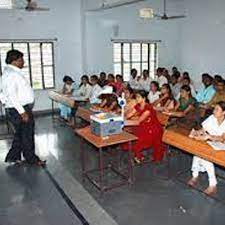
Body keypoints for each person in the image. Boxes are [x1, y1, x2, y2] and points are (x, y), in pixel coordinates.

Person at [2, 50, 45, 166]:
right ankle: (32, 159)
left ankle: (13, 157)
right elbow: (11, 95)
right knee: (27, 135)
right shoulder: (12, 74)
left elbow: (4, 94)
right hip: (20, 109)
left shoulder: (9, 72)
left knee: (20, 134)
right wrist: (22, 112)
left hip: (17, 109)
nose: (23, 62)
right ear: (14, 61)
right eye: (21, 60)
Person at [188, 101, 225, 195]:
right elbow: (203, 130)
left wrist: (208, 137)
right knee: (198, 152)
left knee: (204, 156)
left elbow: (222, 138)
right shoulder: (212, 118)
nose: (213, 111)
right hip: (211, 143)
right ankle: (196, 176)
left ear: (223, 112)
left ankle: (211, 184)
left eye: (217, 110)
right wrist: (195, 133)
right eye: (214, 109)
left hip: (222, 145)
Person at [123, 90, 165, 163]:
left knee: (138, 140)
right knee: (128, 135)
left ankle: (139, 157)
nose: (136, 99)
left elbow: (138, 121)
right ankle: (139, 156)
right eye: (136, 97)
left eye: (138, 97)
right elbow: (128, 115)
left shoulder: (148, 109)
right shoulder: (138, 106)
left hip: (153, 129)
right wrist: (122, 118)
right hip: (144, 126)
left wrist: (124, 122)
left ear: (144, 98)